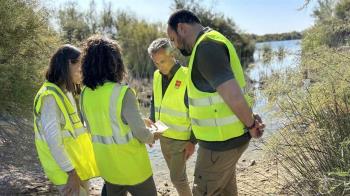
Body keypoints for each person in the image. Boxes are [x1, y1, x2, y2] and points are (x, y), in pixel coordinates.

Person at [166, 10, 265, 196]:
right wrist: (250, 120)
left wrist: (251, 124)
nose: (174, 45)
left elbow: (233, 95)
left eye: (172, 39)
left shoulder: (206, 48)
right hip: (229, 139)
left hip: (219, 145)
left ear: (181, 28)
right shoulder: (213, 40)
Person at [80, 35, 159, 196]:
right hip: (134, 168)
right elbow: (141, 134)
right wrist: (153, 135)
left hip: (108, 167)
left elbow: (96, 125)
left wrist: (138, 119)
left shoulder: (85, 94)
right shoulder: (123, 93)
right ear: (115, 63)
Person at [33, 44, 98, 196]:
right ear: (69, 63)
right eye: (80, 69)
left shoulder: (65, 91)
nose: (82, 74)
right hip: (64, 170)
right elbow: (54, 142)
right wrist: (71, 173)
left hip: (74, 165)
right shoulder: (49, 97)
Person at [146, 38, 195, 196]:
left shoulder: (188, 76)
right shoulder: (156, 76)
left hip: (181, 139)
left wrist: (193, 141)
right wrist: (153, 125)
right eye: (156, 63)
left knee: (177, 178)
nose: (160, 67)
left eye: (163, 61)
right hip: (163, 136)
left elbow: (198, 112)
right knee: (179, 177)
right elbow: (155, 102)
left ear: (172, 54)